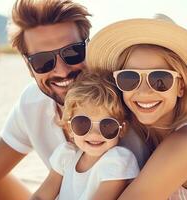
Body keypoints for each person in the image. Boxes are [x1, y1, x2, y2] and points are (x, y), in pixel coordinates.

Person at [0, 1, 149, 200]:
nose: (62, 71)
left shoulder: (127, 100)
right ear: (29, 66)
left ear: (89, 48)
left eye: (72, 52)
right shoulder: (32, 104)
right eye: (42, 61)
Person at [87, 14, 187, 199]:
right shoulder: (141, 134)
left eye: (159, 79)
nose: (143, 91)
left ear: (181, 86)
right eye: (130, 78)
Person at [30, 71, 139, 200]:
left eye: (107, 125)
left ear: (122, 129)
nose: (94, 133)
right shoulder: (67, 155)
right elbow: (40, 196)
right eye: (82, 123)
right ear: (69, 128)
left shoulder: (117, 161)